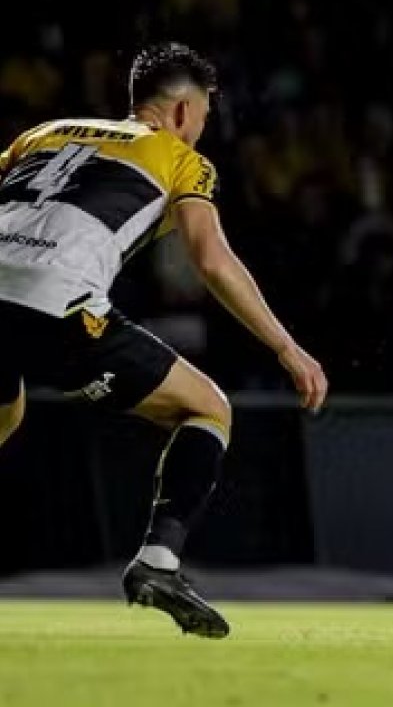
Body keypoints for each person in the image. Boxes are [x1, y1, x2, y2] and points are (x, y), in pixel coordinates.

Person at [0, 42, 327, 639]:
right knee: (206, 407)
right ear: (180, 112)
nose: (203, 127)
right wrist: (286, 347)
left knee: (7, 412)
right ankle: (159, 563)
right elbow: (212, 259)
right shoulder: (181, 158)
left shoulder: (43, 132)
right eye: (204, 114)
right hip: (57, 301)